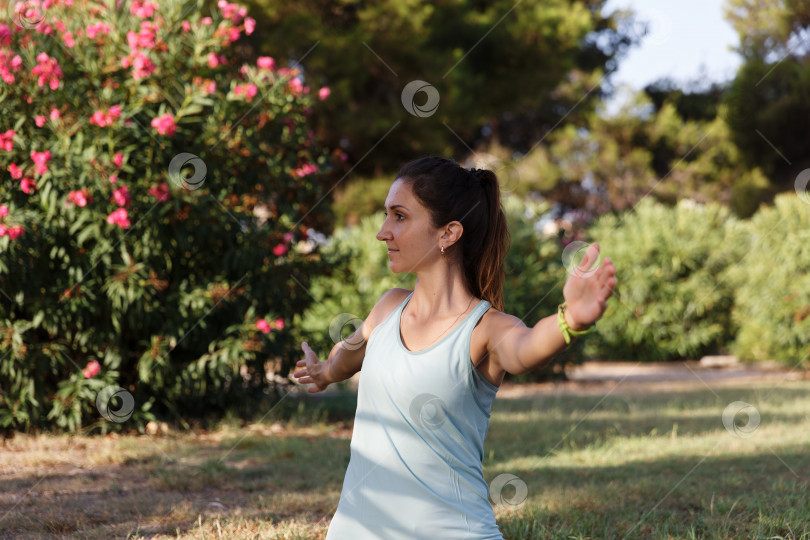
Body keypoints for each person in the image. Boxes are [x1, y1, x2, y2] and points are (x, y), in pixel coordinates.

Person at [294, 156, 616, 539]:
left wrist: (571, 320)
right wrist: (324, 372)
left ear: (448, 234)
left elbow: (527, 346)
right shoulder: (386, 307)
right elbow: (348, 354)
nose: (383, 232)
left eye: (399, 216)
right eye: (386, 215)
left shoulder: (483, 328)